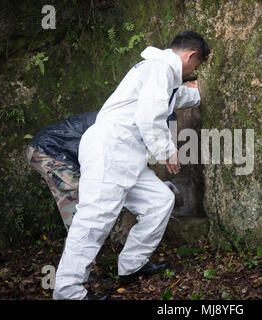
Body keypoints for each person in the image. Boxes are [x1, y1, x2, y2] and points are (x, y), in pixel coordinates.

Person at [52, 30, 210, 300]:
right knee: (94, 219)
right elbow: (150, 115)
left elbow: (181, 97)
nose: (194, 72)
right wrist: (167, 151)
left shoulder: (163, 78)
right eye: (196, 67)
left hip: (128, 155)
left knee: (159, 201)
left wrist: (199, 91)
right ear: (191, 56)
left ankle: (132, 266)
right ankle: (68, 292)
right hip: (111, 148)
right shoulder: (158, 68)